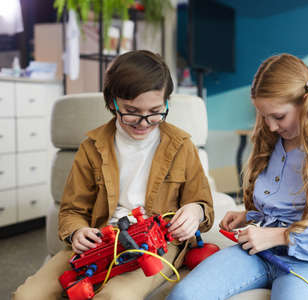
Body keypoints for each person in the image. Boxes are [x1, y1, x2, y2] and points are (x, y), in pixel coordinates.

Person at [13, 50, 214, 300]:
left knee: (115, 297)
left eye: (155, 111)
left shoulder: (182, 145)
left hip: (156, 245)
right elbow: (72, 211)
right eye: (131, 111)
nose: (143, 122)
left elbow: (203, 203)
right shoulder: (91, 147)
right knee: (27, 295)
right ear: (112, 103)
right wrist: (77, 232)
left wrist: (195, 211)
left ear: (166, 104)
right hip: (101, 242)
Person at [167, 53, 308, 300]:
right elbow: (278, 207)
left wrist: (278, 236)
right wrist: (247, 216)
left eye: (279, 116)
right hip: (257, 252)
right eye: (264, 116)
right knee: (184, 296)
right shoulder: (272, 144)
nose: (271, 126)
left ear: (305, 102)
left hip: (307, 261)